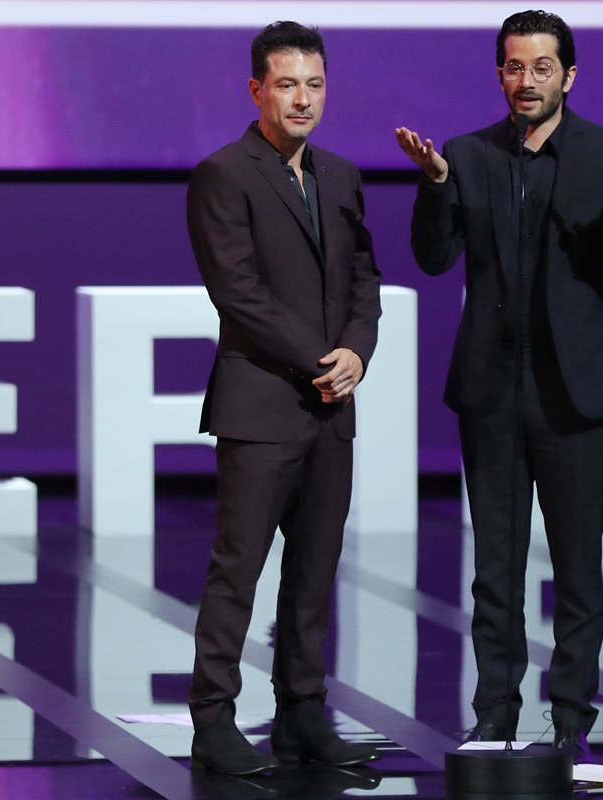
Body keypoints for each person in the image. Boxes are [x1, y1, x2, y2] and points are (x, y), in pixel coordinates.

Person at [395, 9, 603, 758]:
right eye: (514, 67)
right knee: (494, 567)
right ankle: (494, 715)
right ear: (499, 74)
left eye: (542, 68)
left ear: (568, 77)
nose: (526, 81)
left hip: (575, 391)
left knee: (578, 566)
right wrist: (435, 187)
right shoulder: (468, 154)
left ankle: (572, 717)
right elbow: (432, 258)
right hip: (492, 387)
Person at [185, 20, 382, 776]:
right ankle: (213, 721)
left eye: (315, 84)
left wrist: (356, 352)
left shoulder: (341, 175)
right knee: (238, 567)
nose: (303, 99)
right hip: (262, 403)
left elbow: (364, 279)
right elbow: (238, 293)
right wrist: (317, 360)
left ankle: (302, 712)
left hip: (332, 404)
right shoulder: (224, 173)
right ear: (257, 89)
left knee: (315, 568)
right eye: (288, 83)